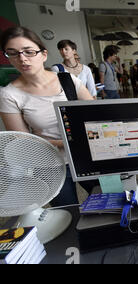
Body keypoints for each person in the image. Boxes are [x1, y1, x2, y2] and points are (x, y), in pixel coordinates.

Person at [0, 26, 94, 207]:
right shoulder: (9, 95)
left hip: (85, 157)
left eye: (28, 52)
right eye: (12, 53)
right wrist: (70, 140)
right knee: (67, 212)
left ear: (43, 54)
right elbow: (23, 141)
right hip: (49, 165)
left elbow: (95, 115)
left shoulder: (67, 80)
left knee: (111, 203)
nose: (22, 58)